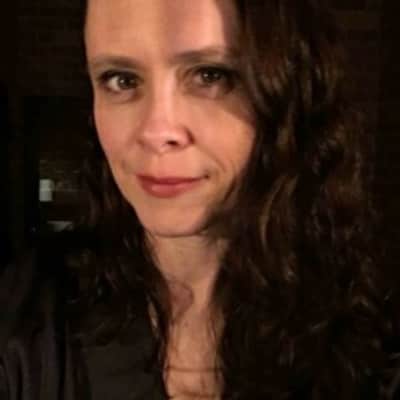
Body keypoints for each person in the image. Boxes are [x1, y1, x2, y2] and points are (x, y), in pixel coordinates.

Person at [0, 0, 392, 399]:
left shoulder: (372, 341)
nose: (156, 132)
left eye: (209, 75)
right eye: (121, 80)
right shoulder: (26, 319)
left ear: (288, 93)